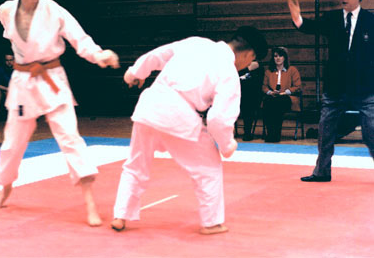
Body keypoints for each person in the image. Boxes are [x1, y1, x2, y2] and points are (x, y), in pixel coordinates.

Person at [0, 0, 120, 227]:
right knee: (13, 142)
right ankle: (5, 187)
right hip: (23, 82)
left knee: (70, 137)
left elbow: (79, 38)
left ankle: (90, 202)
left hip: (51, 80)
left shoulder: (53, 10)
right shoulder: (5, 10)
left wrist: (99, 55)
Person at [110, 26, 268, 235]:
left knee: (135, 164)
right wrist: (228, 145)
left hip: (151, 104)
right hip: (180, 116)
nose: (246, 65)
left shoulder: (196, 43)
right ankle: (212, 223)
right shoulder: (228, 71)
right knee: (209, 168)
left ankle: (120, 216)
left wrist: (134, 73)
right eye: (249, 61)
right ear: (249, 54)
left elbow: (157, 56)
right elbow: (218, 119)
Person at [288, 0, 374, 182]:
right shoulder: (332, 18)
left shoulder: (370, 21)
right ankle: (322, 171)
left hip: (364, 87)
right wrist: (297, 17)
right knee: (325, 130)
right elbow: (311, 27)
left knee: (371, 132)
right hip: (335, 85)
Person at [261, 47, 302, 143]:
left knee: (278, 102)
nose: (278, 58)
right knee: (268, 101)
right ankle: (271, 134)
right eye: (275, 56)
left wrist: (285, 92)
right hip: (273, 96)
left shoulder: (292, 70)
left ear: (285, 58)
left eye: (280, 56)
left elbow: (298, 86)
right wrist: (270, 92)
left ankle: (275, 134)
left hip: (287, 97)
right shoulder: (268, 71)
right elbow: (264, 86)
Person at [238, 60, 264, 141]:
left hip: (254, 95)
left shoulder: (259, 68)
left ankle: (247, 131)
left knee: (248, 101)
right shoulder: (239, 66)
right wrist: (247, 69)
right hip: (239, 93)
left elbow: (258, 84)